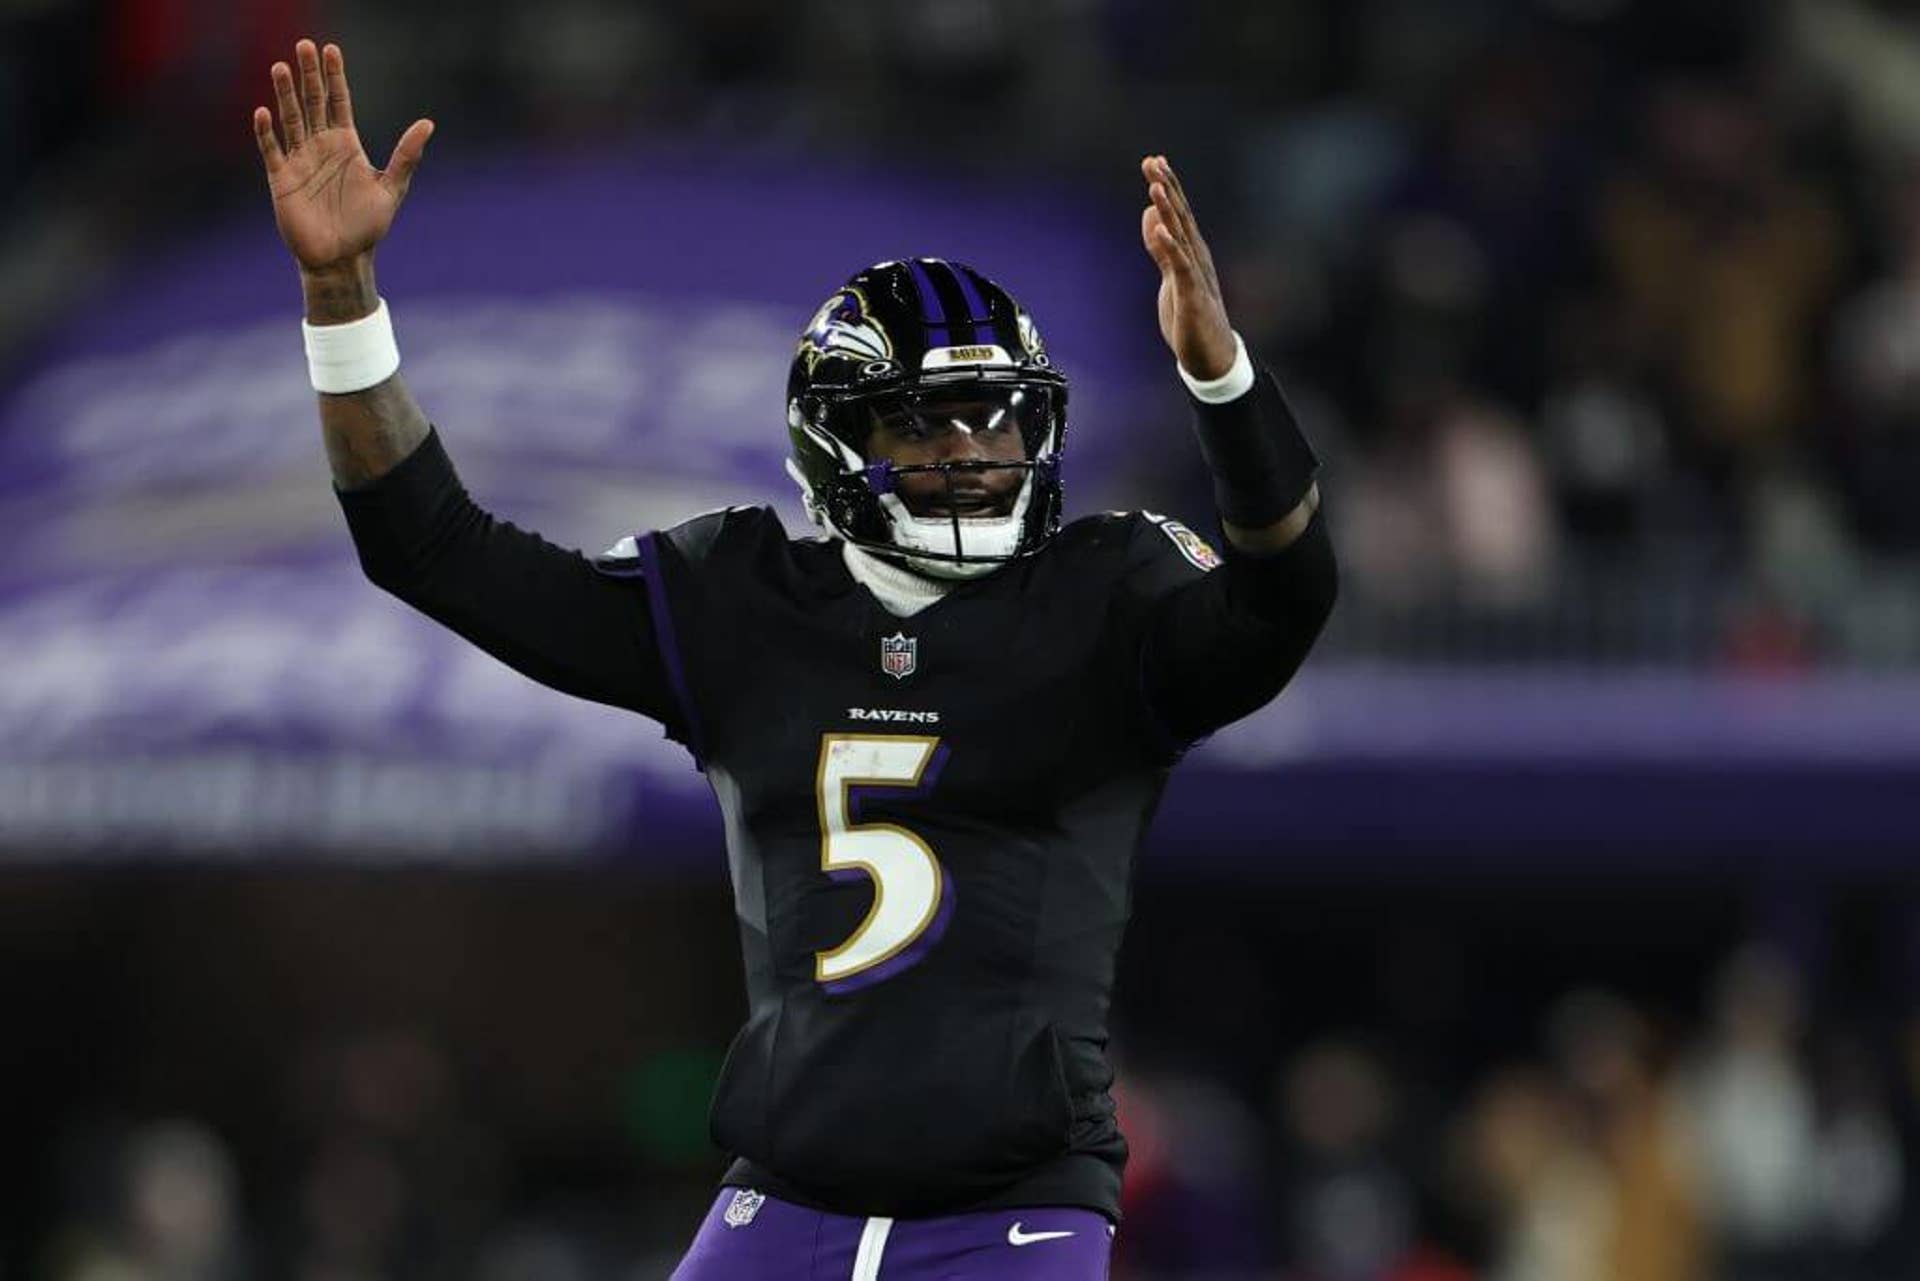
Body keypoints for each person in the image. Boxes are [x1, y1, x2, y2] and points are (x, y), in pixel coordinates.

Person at [253, 36, 1336, 1281]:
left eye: (997, 419)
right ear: (839, 445)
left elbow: (1287, 595)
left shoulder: (1104, 593)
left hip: (1015, 1211)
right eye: (928, 426)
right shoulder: (742, 600)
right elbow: (432, 549)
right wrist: (342, 300)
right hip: (783, 1207)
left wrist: (1221, 376)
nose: (975, 455)